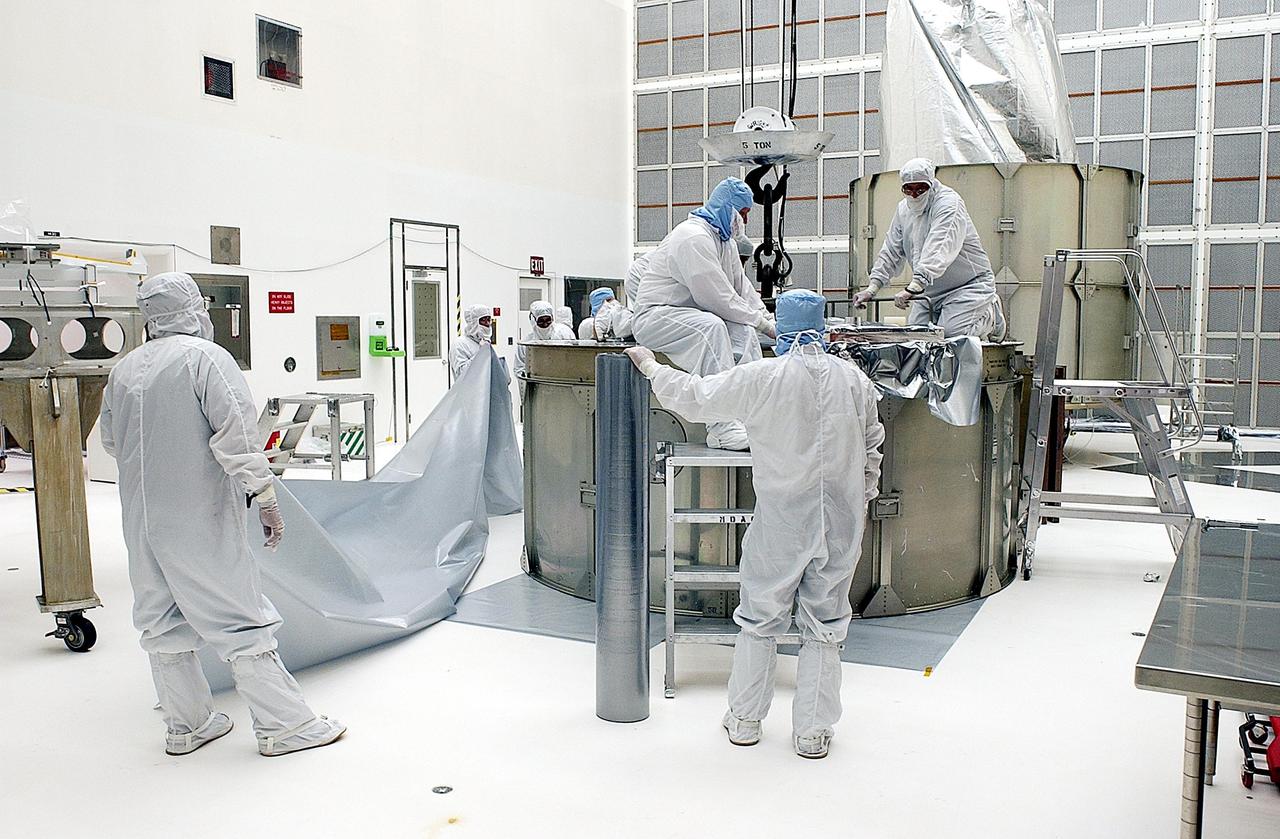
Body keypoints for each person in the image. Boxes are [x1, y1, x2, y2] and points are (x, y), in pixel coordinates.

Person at [625, 289, 884, 759]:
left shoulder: (764, 377)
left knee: (761, 616)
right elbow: (873, 448)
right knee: (825, 624)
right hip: (843, 522)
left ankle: (745, 721)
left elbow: (696, 398)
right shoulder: (855, 380)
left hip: (783, 519)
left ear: (779, 329)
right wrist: (859, 499)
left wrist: (651, 366)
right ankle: (813, 732)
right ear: (822, 328)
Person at [99, 272, 345, 758]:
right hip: (199, 514)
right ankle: (285, 726)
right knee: (238, 614)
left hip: (142, 520)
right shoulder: (206, 358)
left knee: (161, 617)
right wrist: (265, 497)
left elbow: (111, 442)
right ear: (193, 308)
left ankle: (187, 726)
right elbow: (236, 437)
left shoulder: (123, 370)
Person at [632, 177, 776, 450]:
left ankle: (750, 415)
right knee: (712, 327)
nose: (745, 220)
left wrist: (767, 321)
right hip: (657, 317)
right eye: (743, 213)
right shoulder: (693, 236)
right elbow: (716, 297)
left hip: (689, 315)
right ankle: (721, 426)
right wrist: (764, 324)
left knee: (743, 333)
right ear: (727, 208)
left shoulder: (725, 242)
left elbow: (742, 289)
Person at [853, 158, 1005, 340]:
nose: (914, 194)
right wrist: (872, 288)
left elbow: (939, 247)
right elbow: (891, 249)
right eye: (908, 189)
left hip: (967, 287)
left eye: (920, 188)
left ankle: (991, 315)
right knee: (917, 339)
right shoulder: (903, 210)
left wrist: (914, 287)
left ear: (931, 185)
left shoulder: (948, 204)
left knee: (951, 335)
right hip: (928, 290)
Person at [514, 301, 573, 379]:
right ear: (533, 320)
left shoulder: (563, 335)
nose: (545, 324)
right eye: (541, 321)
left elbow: (573, 361)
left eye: (548, 320)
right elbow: (519, 368)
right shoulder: (526, 343)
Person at [451, 304, 493, 380]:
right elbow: (462, 373)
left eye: (488, 319)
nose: (487, 323)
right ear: (473, 322)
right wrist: (480, 353)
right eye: (483, 320)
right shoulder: (460, 344)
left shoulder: (484, 342)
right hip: (468, 391)